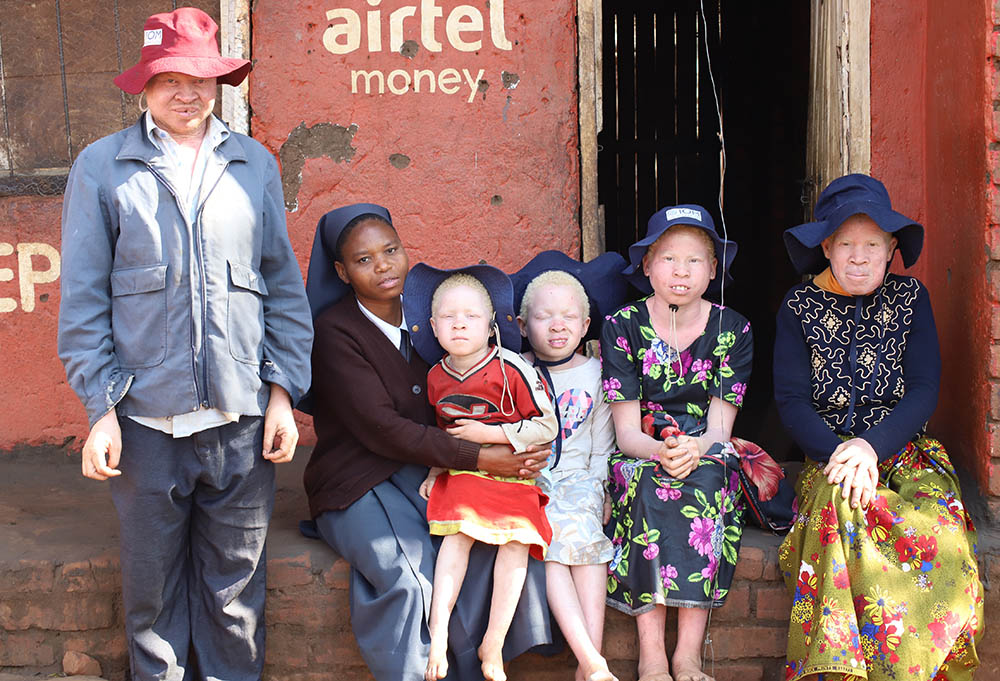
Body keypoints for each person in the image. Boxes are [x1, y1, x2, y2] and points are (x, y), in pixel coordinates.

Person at [56, 8, 313, 680]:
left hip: (240, 422)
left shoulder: (252, 163)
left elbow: (282, 285)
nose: (184, 92)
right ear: (142, 86)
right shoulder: (104, 167)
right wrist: (100, 409)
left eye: (198, 77)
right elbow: (83, 302)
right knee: (152, 598)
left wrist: (282, 394)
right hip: (145, 425)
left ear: (218, 84)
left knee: (234, 600)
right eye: (166, 78)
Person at [302, 204, 554, 681]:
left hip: (425, 469)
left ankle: (479, 662)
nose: (382, 265)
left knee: (487, 544)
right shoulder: (336, 332)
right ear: (341, 271)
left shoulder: (436, 319)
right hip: (354, 479)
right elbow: (382, 428)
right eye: (363, 259)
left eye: (391, 250)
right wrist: (484, 457)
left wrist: (517, 446)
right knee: (406, 574)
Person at [774, 174, 984, 681]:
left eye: (872, 245)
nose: (859, 257)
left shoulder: (911, 299)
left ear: (891, 248)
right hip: (830, 456)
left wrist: (872, 446)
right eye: (846, 244)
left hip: (905, 453)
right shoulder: (798, 307)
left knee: (942, 536)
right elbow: (792, 400)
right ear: (826, 246)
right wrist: (844, 453)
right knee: (840, 508)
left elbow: (924, 388)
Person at [601, 205, 761, 681]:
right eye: (668, 258)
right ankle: (651, 655)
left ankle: (687, 654)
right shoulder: (622, 326)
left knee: (707, 480)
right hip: (642, 450)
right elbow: (627, 432)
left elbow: (719, 429)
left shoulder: (734, 329)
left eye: (695, 260)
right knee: (650, 486)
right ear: (647, 265)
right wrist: (661, 452)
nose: (681, 271)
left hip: (706, 448)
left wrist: (695, 449)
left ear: (714, 270)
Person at [404, 265, 557, 681]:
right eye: (448, 317)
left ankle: (494, 642)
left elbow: (547, 426)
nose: (459, 324)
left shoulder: (512, 369)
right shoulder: (435, 377)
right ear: (433, 327)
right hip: (466, 474)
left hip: (514, 475)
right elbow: (438, 433)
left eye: (471, 316)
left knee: (516, 544)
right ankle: (436, 634)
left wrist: (490, 433)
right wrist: (436, 471)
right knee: (458, 537)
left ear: (491, 326)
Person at [510, 250, 629, 681]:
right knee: (554, 548)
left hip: (579, 480)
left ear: (585, 326)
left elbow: (602, 445)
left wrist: (600, 490)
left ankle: (588, 663)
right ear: (523, 327)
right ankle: (592, 663)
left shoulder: (597, 374)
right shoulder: (515, 371)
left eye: (569, 316)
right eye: (544, 317)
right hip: (529, 480)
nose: (557, 325)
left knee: (591, 547)